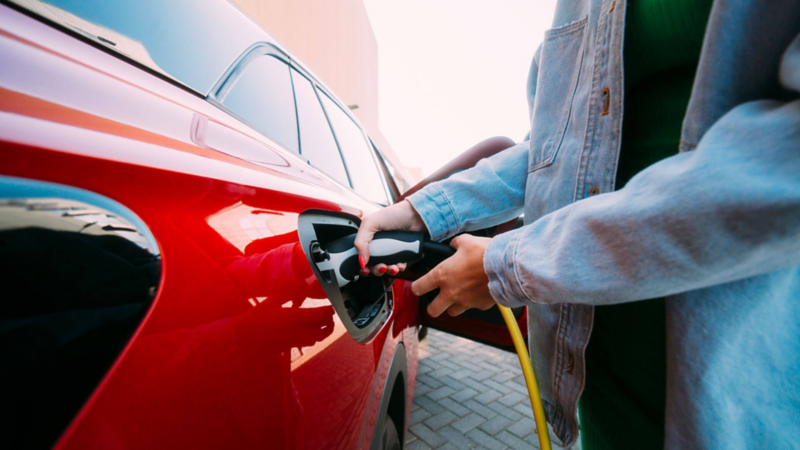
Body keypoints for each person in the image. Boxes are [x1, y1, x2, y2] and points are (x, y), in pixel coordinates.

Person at [354, 1, 800, 448]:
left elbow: (782, 169)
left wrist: (511, 263)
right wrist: (422, 212)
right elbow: (552, 150)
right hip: (598, 387)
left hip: (729, 406)